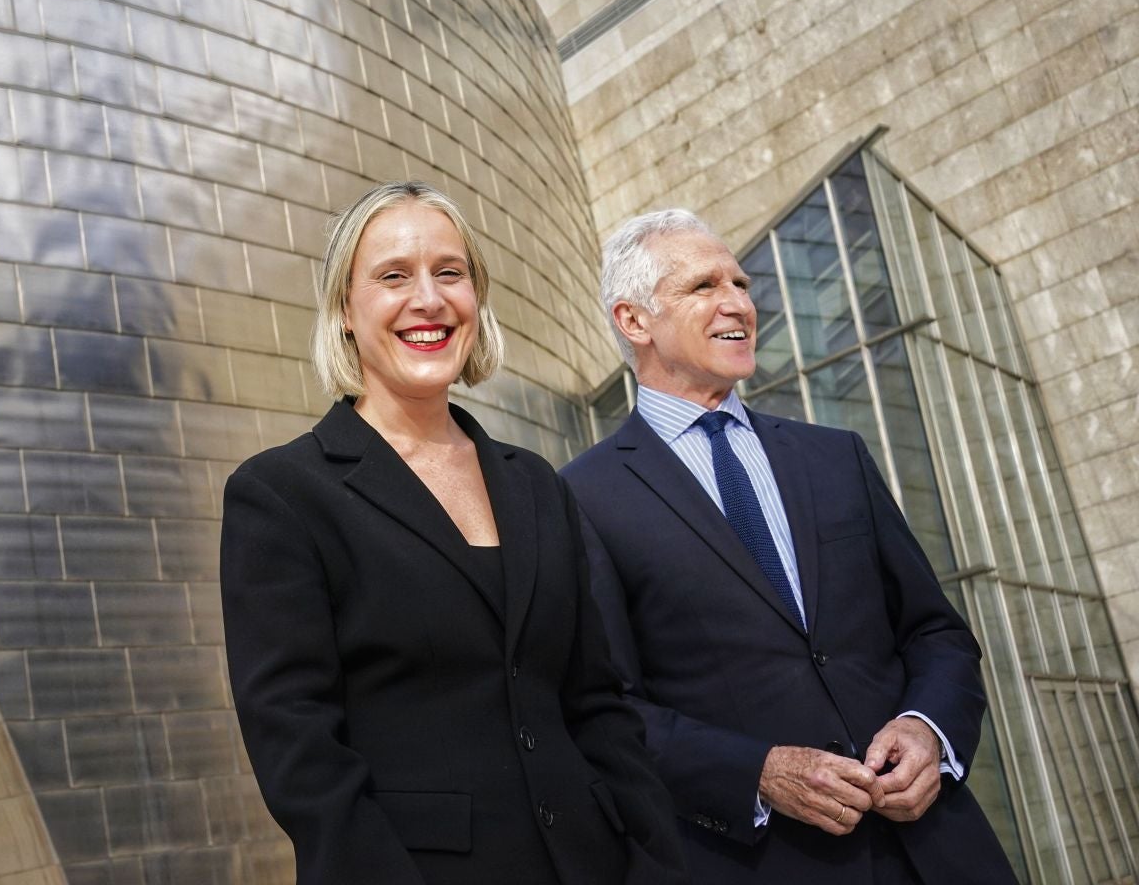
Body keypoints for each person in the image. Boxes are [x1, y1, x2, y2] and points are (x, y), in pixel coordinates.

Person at [220, 181, 688, 885]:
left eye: (450, 272)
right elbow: (301, 752)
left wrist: (653, 860)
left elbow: (595, 703)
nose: (429, 300)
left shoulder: (534, 483)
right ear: (345, 311)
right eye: (393, 277)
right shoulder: (283, 494)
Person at [560, 209, 1016, 884]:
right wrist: (759, 773)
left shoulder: (837, 456)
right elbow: (606, 707)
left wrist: (930, 730)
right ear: (634, 321)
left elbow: (934, 632)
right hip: (767, 862)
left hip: (939, 850)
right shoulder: (579, 496)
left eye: (741, 284)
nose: (740, 303)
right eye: (705, 287)